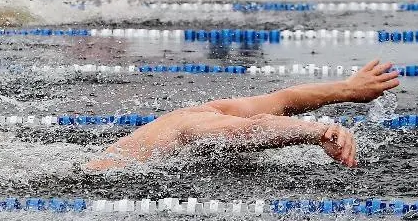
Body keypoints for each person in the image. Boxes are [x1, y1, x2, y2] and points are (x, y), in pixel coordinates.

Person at [86, 59, 400, 170]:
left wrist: (347, 89)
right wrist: (317, 132)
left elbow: (283, 100)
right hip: (95, 179)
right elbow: (248, 131)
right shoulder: (193, 122)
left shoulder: (214, 110)